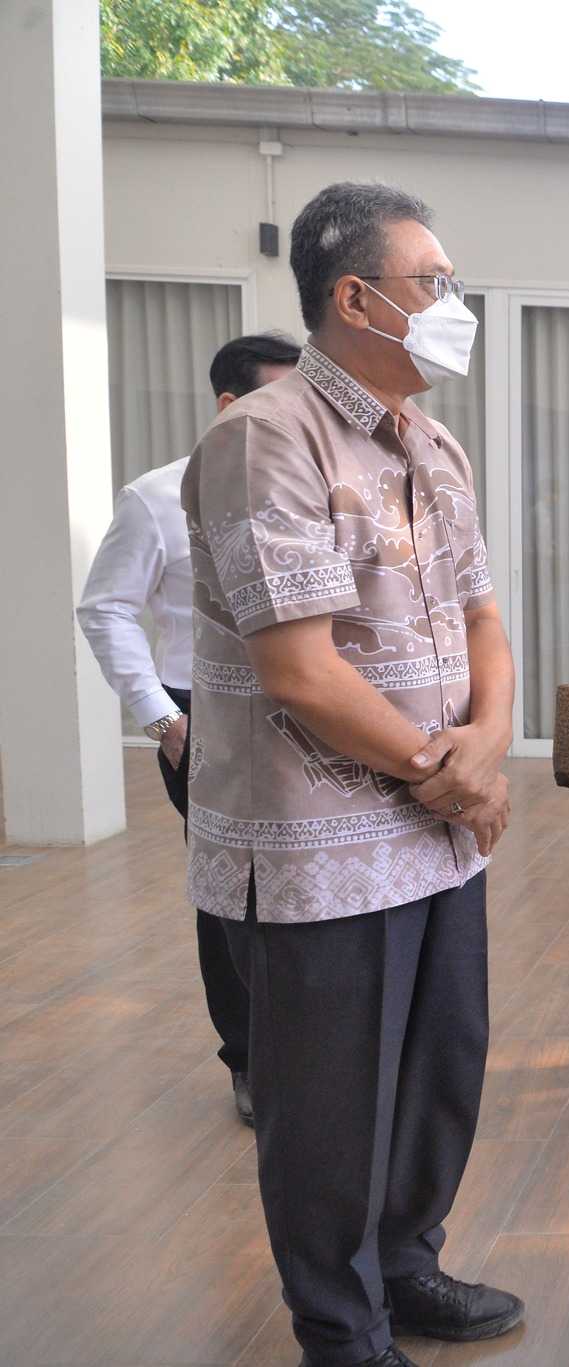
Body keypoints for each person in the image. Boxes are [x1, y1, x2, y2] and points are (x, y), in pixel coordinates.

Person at [184, 182, 521, 1367]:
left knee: (442, 1061)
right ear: (355, 295)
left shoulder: (433, 441)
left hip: (436, 831)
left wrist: (486, 748)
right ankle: (342, 1328)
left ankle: (409, 1262)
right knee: (326, 1109)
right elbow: (299, 669)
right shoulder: (263, 438)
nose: (451, 305)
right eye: (435, 284)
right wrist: (454, 770)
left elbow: (485, 617)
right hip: (318, 844)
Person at [77, 331, 300, 1127]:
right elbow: (105, 609)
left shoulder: (300, 490)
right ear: (230, 406)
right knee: (229, 894)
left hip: (296, 708)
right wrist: (161, 719)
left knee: (301, 885)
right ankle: (246, 1057)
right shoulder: (155, 497)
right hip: (196, 714)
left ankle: (304, 1051)